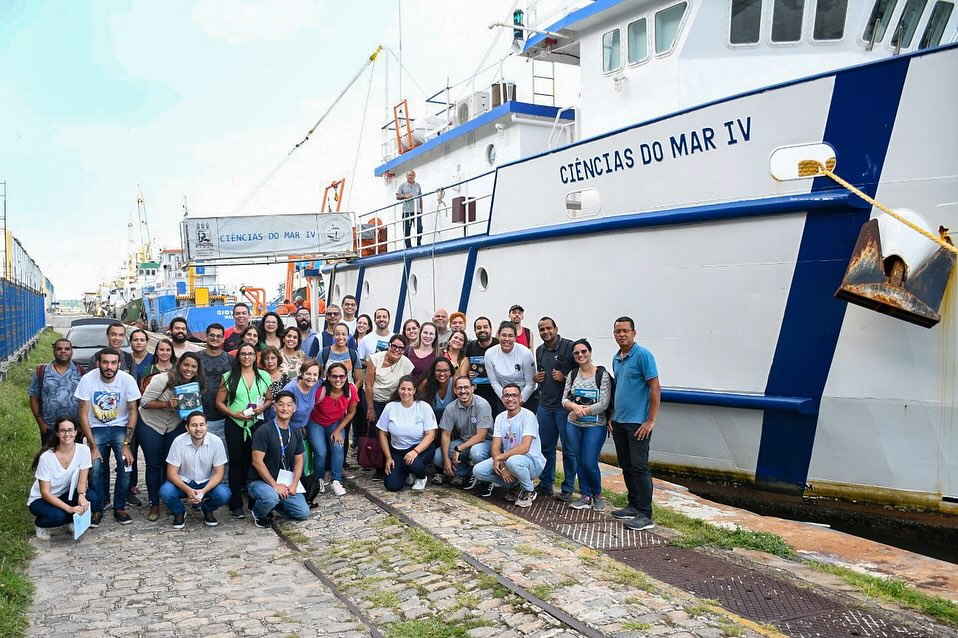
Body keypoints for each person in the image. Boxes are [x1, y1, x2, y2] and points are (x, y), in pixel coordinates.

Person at [74, 347, 142, 526]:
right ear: (98, 363)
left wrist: (127, 443)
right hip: (96, 428)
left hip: (120, 427)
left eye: (113, 363)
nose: (109, 367)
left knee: (126, 465)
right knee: (95, 467)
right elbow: (83, 413)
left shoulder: (127, 380)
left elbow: (133, 410)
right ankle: (97, 507)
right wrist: (92, 446)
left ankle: (119, 507)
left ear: (119, 364)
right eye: (105, 362)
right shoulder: (88, 379)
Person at [138, 353, 204, 522]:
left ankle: (168, 499)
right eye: (186, 365)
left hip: (174, 424)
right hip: (151, 423)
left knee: (171, 465)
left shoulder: (194, 385)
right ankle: (154, 503)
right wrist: (167, 404)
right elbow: (144, 402)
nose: (189, 369)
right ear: (179, 365)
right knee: (154, 464)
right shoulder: (162, 380)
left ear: (197, 370)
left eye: (193, 367)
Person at [610, 316, 661, 531]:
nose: (621, 334)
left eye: (625, 331)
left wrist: (650, 420)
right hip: (620, 421)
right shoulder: (617, 358)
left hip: (637, 423)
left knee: (639, 467)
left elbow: (655, 388)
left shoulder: (643, 356)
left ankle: (645, 514)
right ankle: (633, 505)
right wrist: (612, 415)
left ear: (634, 333)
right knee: (626, 466)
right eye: (618, 331)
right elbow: (620, 389)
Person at [216, 343, 272, 518]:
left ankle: (254, 500)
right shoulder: (228, 376)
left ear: (256, 357)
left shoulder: (263, 376)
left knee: (254, 462)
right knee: (236, 463)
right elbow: (219, 402)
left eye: (250, 354)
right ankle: (236, 503)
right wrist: (234, 414)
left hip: (256, 424)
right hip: (235, 423)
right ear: (238, 356)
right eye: (243, 354)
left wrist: (262, 409)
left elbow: (269, 399)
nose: (247, 357)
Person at [473, 383, 546, 507]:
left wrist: (500, 459)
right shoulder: (500, 417)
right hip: (508, 460)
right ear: (502, 398)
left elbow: (525, 447)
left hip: (531, 461)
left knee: (513, 462)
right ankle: (515, 485)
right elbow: (495, 447)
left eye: (514, 395)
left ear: (520, 398)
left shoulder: (528, 416)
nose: (510, 399)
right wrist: (502, 466)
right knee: (478, 471)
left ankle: (528, 490)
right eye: (506, 395)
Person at [28, 417, 101, 539]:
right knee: (58, 516)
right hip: (42, 499)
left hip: (66, 493)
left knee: (91, 499)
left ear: (76, 432)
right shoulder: (47, 457)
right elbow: (45, 492)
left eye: (70, 430)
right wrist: (69, 508)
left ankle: (71, 521)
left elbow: (83, 481)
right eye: (63, 431)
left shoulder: (83, 450)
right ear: (57, 433)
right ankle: (40, 524)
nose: (67, 434)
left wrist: (82, 496)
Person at [561, 339, 613, 512]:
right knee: (579, 461)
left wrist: (586, 410)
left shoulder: (601, 375)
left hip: (595, 425)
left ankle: (597, 494)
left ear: (590, 352)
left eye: (584, 351)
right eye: (577, 353)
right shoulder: (572, 374)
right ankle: (585, 495)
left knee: (590, 461)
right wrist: (574, 407)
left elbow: (604, 403)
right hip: (573, 424)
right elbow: (565, 399)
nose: (580, 355)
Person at [247, 390, 310, 528]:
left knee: (303, 512)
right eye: (281, 405)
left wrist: (294, 484)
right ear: (274, 407)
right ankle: (258, 512)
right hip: (260, 481)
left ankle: (273, 504)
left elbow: (299, 460)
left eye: (289, 405)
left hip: (284, 481)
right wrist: (274, 485)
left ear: (294, 408)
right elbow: (257, 461)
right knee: (271, 497)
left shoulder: (295, 431)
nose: (285, 408)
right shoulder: (264, 431)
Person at [159, 411, 231, 528]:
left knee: (224, 494)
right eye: (194, 425)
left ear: (207, 426)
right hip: (184, 482)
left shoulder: (216, 441)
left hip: (207, 482)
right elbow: (171, 474)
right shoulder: (178, 441)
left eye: (202, 425)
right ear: (187, 428)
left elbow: (219, 474)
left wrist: (203, 491)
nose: (198, 429)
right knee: (165, 491)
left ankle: (207, 509)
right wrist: (188, 490)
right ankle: (179, 512)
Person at [534, 317, 576, 499]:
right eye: (542, 329)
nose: (546, 332)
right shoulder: (539, 350)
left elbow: (583, 374)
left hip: (564, 408)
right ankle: (546, 484)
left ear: (556, 328)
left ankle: (567, 489)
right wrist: (537, 379)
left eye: (548, 328)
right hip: (545, 406)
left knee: (569, 449)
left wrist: (565, 377)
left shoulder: (569, 347)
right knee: (545, 448)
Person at [306, 362, 358, 497]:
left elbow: (351, 413)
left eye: (342, 376)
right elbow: (307, 407)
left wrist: (338, 431)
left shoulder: (350, 390)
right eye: (334, 376)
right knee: (321, 451)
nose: (338, 379)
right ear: (328, 377)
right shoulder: (320, 390)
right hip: (315, 422)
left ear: (346, 377)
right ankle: (318, 479)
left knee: (338, 447)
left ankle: (336, 480)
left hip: (336, 422)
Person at [377, 376, 437, 492]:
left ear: (414, 391)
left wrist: (415, 451)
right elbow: (382, 433)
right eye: (403, 389)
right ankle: (406, 473)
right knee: (392, 486)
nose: (406, 392)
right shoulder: (390, 407)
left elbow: (430, 434)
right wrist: (388, 457)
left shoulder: (423, 407)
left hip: (420, 448)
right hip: (397, 450)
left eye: (409, 389)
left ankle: (421, 477)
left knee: (414, 464)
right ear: (398, 390)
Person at [433, 375, 492, 489]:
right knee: (437, 456)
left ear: (472, 388)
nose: (463, 391)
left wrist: (459, 449)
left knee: (476, 453)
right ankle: (466, 473)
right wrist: (446, 460)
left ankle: (485, 479)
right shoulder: (451, 407)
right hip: (464, 441)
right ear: (455, 390)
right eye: (459, 388)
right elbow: (445, 434)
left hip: (485, 443)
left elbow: (481, 436)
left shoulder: (482, 404)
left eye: (466, 387)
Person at [29, 338, 85, 442]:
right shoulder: (42, 371)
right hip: (50, 429)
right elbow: (34, 397)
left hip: (74, 429)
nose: (63, 351)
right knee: (50, 457)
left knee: (74, 458)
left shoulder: (80, 371)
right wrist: (40, 423)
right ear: (54, 351)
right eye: (59, 349)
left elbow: (87, 400)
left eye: (67, 349)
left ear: (71, 351)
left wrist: (83, 424)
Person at [484, 322, 537, 413]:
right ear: (498, 336)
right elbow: (494, 383)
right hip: (504, 398)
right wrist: (507, 400)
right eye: (503, 335)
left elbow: (530, 384)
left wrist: (518, 402)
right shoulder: (490, 354)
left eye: (511, 336)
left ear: (515, 338)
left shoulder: (525, 353)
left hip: (526, 397)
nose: (507, 339)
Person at [364, 334, 415, 425]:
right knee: (373, 430)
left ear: (404, 350)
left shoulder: (407, 364)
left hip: (392, 403)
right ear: (389, 346)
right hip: (372, 401)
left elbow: (406, 387)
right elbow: (368, 384)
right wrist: (370, 408)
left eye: (401, 348)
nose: (396, 350)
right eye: (394, 346)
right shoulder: (375, 358)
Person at [196, 323, 232, 446]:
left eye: (218, 336)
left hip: (224, 417)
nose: (215, 338)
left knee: (223, 457)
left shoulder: (230, 360)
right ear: (206, 337)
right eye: (212, 335)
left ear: (223, 339)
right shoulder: (196, 358)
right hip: (200, 417)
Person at [463, 317, 499, 414]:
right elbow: (465, 369)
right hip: (479, 393)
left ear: (491, 329)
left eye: (485, 327)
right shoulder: (471, 345)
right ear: (475, 331)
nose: (482, 330)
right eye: (479, 328)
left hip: (497, 393)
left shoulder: (498, 345)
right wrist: (469, 375)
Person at [279, 360, 322, 433]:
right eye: (308, 374)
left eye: (315, 375)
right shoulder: (290, 389)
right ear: (302, 374)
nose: (311, 377)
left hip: (300, 428)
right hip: (285, 429)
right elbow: (280, 413)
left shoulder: (316, 384)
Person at [418, 357, 456, 422]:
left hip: (452, 422)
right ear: (434, 372)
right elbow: (417, 405)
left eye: (445, 371)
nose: (442, 374)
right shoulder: (426, 384)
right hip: (431, 421)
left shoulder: (455, 383)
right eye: (438, 370)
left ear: (450, 372)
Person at [260, 346, 289, 422]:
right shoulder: (259, 377)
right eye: (266, 358)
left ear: (278, 359)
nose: (270, 361)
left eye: (273, 358)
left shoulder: (285, 378)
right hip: (262, 414)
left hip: (282, 414)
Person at [406, 321, 438, 385]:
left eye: (431, 334)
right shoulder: (408, 350)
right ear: (420, 333)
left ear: (435, 336)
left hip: (425, 393)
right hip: (406, 392)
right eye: (425, 333)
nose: (428, 336)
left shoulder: (438, 356)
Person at [396, 169, 422, 248]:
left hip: (417, 211)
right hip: (406, 211)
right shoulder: (402, 185)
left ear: (414, 176)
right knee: (407, 230)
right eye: (409, 175)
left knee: (419, 228)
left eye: (412, 175)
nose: (411, 176)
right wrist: (405, 196)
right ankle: (408, 247)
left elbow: (420, 197)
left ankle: (418, 244)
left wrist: (421, 208)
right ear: (406, 176)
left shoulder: (418, 185)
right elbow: (397, 196)